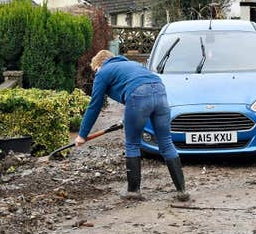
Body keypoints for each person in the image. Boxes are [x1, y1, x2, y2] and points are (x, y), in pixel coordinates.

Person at [75, 50, 189, 201]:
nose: (96, 74)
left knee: (132, 143)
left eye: (95, 70)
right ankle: (182, 191)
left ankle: (133, 191)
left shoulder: (103, 72)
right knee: (166, 143)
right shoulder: (133, 65)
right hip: (160, 92)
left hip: (138, 96)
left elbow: (94, 106)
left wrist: (82, 134)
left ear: (99, 65)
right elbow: (147, 94)